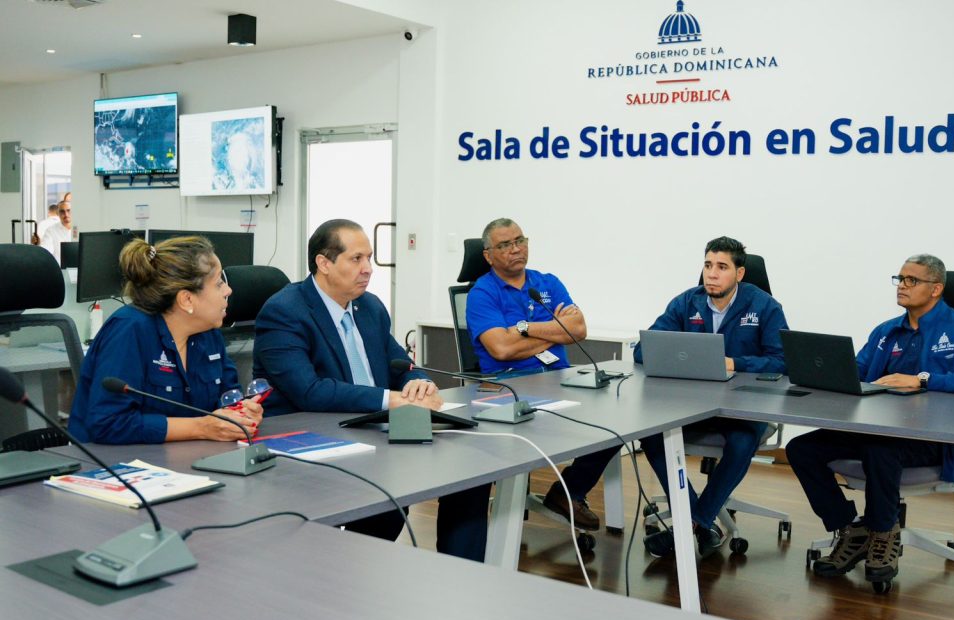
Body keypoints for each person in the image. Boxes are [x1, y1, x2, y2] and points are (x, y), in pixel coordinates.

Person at [253, 219, 491, 561]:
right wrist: (391, 399)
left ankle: (460, 580)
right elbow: (310, 392)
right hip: (312, 436)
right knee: (389, 501)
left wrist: (418, 384)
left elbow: (399, 363)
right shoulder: (284, 311)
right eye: (356, 259)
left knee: (469, 473)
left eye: (370, 258)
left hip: (372, 431)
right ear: (323, 263)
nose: (368, 269)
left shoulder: (371, 307)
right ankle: (344, 568)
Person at [787, 254, 954, 583]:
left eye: (911, 280)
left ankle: (883, 533)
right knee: (802, 448)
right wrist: (824, 376)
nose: (901, 286)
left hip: (931, 439)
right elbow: (855, 374)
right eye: (899, 279)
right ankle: (851, 528)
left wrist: (924, 379)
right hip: (874, 429)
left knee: (880, 450)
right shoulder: (886, 332)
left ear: (936, 289)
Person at [634, 236, 788, 558]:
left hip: (743, 409)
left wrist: (738, 363)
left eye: (721, 267)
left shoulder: (765, 307)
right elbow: (642, 350)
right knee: (649, 435)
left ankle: (692, 522)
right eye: (707, 266)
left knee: (743, 441)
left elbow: (783, 361)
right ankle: (698, 519)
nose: (711, 274)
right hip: (692, 406)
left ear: (740, 274)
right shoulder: (686, 303)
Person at [465, 217, 620, 532]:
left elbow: (578, 329)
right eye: (505, 245)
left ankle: (568, 493)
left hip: (559, 380)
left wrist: (523, 330)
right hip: (510, 387)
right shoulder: (482, 293)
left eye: (520, 240)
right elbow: (501, 349)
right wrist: (555, 332)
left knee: (616, 423)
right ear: (488, 255)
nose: (516, 249)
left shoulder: (547, 282)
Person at [69, 236, 262, 444]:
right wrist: (201, 427)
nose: (228, 290)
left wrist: (242, 413)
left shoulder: (207, 331)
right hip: (113, 463)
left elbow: (227, 397)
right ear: (186, 299)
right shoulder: (129, 330)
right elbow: (107, 423)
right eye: (218, 284)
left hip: (189, 458)